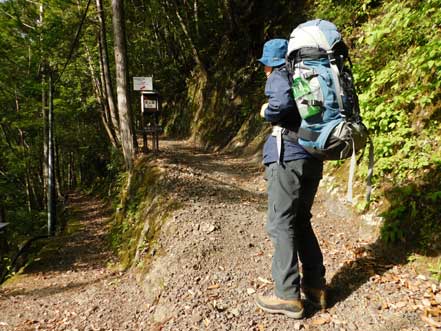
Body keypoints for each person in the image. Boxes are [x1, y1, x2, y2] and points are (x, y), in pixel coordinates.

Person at [255, 39, 327, 319]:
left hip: (288, 158)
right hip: (312, 157)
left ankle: (287, 296)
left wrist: (267, 112)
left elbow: (281, 101)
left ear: (268, 65)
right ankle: (315, 286)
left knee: (280, 223)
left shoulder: (279, 74)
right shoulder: (308, 77)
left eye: (264, 66)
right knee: (300, 219)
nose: (264, 71)